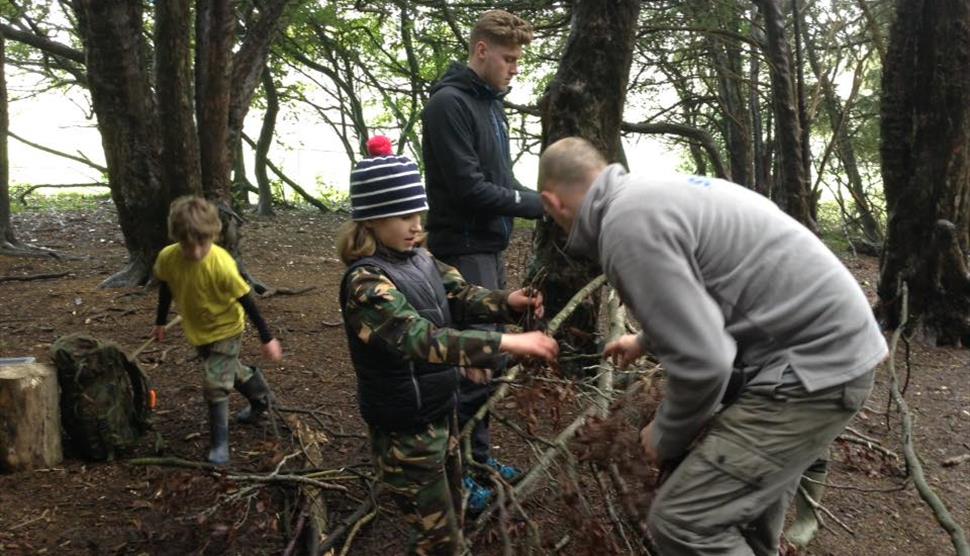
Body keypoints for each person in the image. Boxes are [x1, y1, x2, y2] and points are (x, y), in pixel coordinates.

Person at [537, 137, 888, 555]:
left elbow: (707, 362)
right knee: (744, 520)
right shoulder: (651, 197)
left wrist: (665, 432)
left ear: (552, 202)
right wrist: (649, 339)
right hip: (824, 349)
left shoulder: (624, 227)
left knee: (686, 522)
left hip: (810, 368)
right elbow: (720, 284)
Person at [338, 148, 558, 555]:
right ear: (372, 217)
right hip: (406, 432)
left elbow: (458, 294)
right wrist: (505, 343)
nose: (416, 226)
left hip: (440, 413)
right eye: (404, 217)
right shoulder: (366, 284)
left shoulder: (419, 258)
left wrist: (508, 302)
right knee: (437, 540)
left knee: (451, 515)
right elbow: (418, 338)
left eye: (419, 214)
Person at [421, 8, 544, 492]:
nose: (515, 68)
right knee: (473, 360)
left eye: (518, 60)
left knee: (487, 360)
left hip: (489, 247)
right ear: (481, 50)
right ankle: (461, 474)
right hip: (462, 249)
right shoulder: (449, 105)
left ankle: (480, 461)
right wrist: (536, 205)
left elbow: (501, 181)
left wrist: (538, 200)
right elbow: (469, 188)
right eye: (509, 58)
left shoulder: (491, 105)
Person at [152, 196, 283, 465]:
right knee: (228, 371)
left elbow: (247, 300)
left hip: (226, 328)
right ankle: (262, 399)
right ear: (177, 238)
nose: (197, 252)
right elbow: (165, 286)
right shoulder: (168, 258)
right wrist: (160, 321)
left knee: (215, 383)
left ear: (212, 236)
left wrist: (266, 337)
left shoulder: (221, 264)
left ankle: (220, 446)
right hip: (199, 330)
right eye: (189, 245)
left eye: (203, 243)